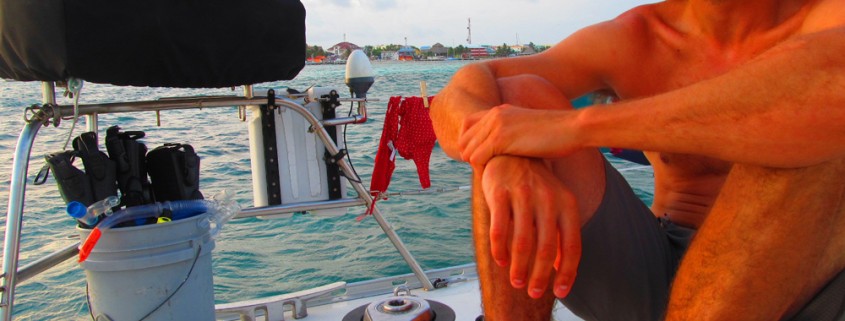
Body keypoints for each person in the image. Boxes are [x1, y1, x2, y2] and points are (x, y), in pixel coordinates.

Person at [430, 0, 845, 320]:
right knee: (519, 96)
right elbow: (463, 90)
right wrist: (500, 153)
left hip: (804, 279)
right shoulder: (640, 38)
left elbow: (831, 85)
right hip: (653, 266)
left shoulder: (827, 17)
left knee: (800, 134)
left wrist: (578, 126)